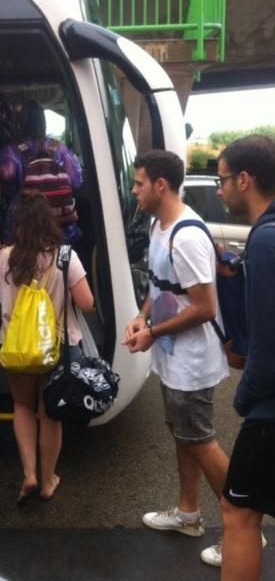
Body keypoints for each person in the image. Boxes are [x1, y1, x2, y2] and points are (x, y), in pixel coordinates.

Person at [122, 150, 229, 561]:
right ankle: (188, 515)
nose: (134, 190)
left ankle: (242, 528)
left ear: (160, 185)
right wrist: (140, 317)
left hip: (193, 362)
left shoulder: (186, 234)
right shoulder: (157, 226)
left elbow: (205, 308)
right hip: (171, 355)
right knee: (185, 436)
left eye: (139, 183)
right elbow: (160, 288)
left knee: (201, 441)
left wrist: (151, 332)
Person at [0, 190, 94, 503]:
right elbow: (87, 303)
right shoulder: (65, 257)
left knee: (22, 407)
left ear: (16, 223)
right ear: (49, 221)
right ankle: (47, 481)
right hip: (56, 347)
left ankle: (29, 474)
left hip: (15, 347)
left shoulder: (4, 257)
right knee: (50, 413)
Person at [215, 135, 275, 581]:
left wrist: (243, 398)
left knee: (238, 514)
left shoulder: (265, 241)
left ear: (245, 179)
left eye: (222, 180)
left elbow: (269, 349)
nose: (219, 189)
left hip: (270, 410)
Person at [0, 99, 83, 243]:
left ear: (20, 123)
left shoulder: (11, 150)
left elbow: (6, 175)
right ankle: (64, 263)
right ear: (43, 122)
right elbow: (77, 180)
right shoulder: (58, 148)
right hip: (62, 227)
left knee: (26, 260)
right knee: (64, 259)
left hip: (27, 227)